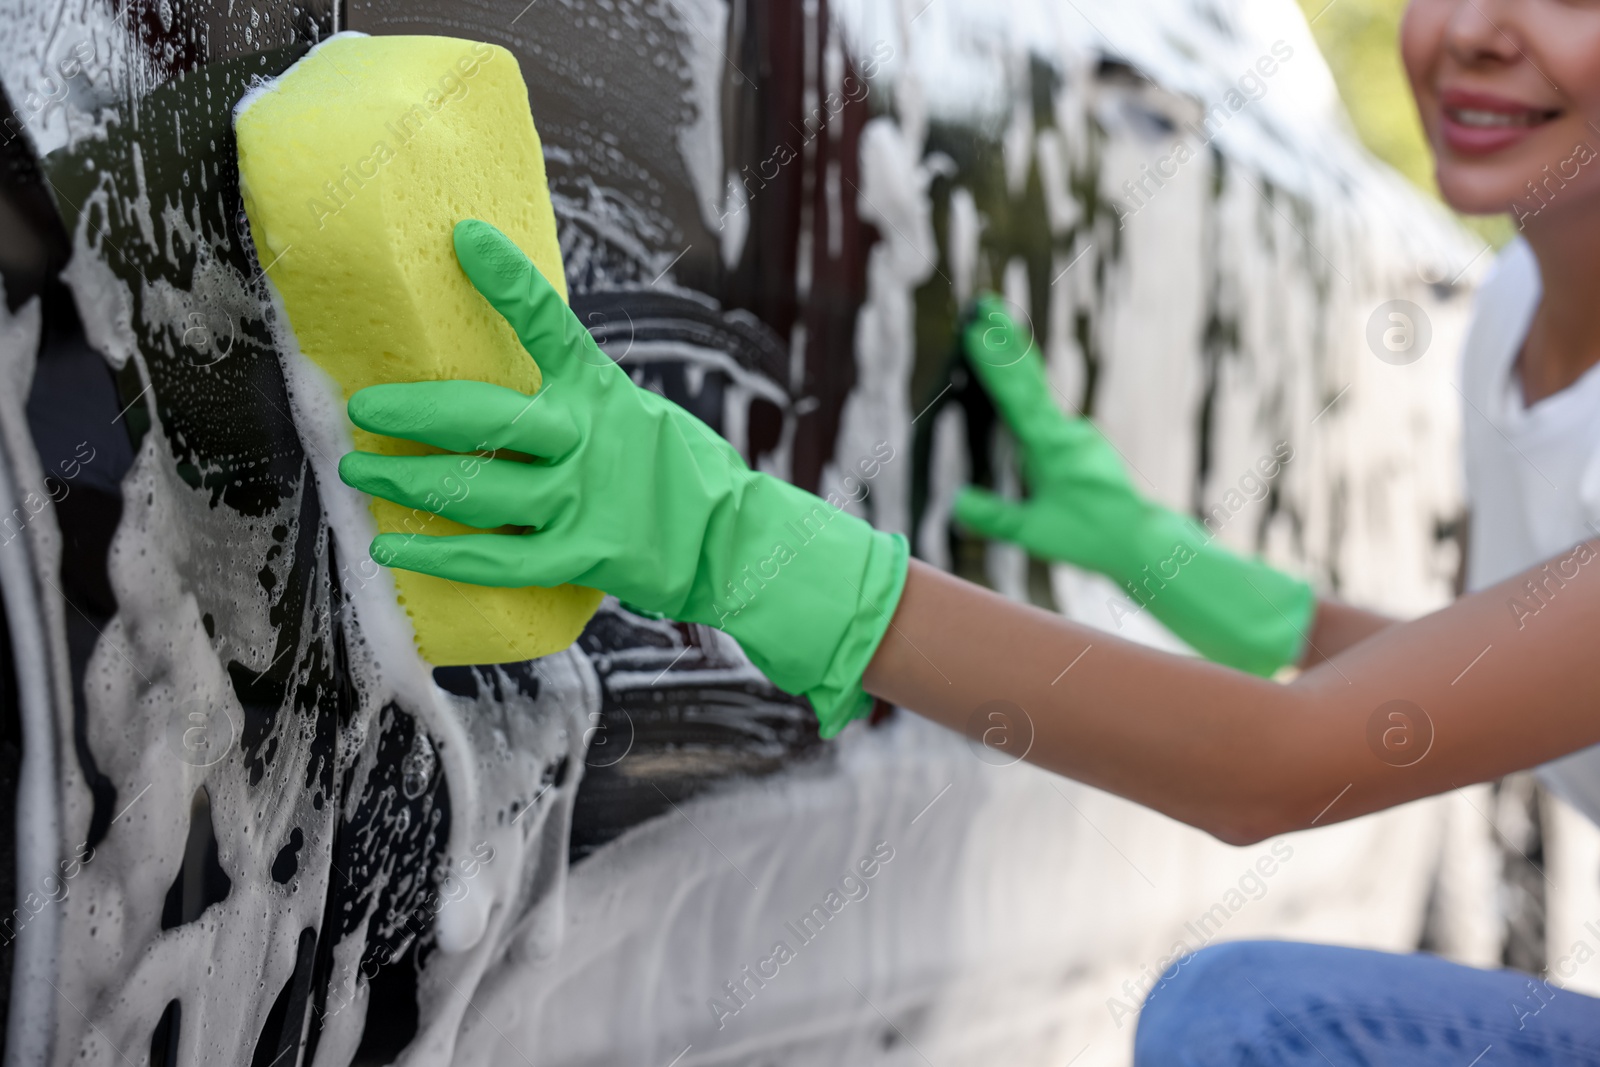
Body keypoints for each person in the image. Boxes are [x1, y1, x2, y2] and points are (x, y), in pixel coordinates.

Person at [332, 0, 1600, 1058]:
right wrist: (1179, 568)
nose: (1477, 30)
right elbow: (1518, 686)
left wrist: (743, 547)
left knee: (1249, 1023)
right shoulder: (1508, 319)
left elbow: (1281, 767)